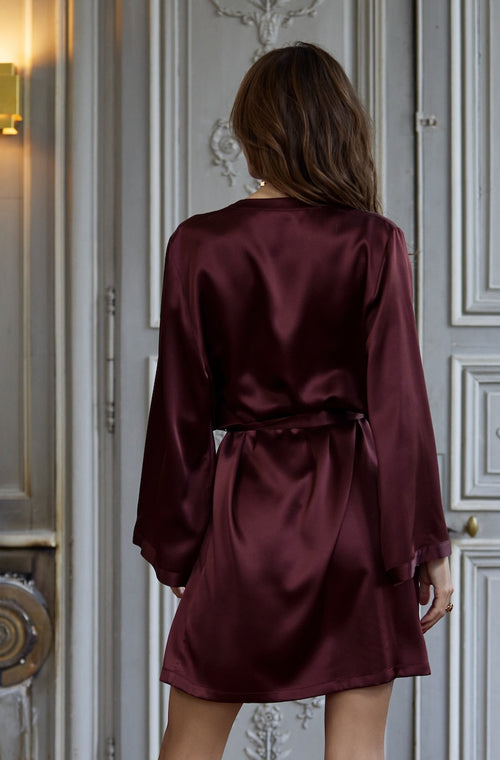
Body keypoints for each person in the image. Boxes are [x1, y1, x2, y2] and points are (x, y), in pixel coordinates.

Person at [133, 42, 453, 760]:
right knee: (358, 747)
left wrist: (178, 545)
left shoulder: (198, 244)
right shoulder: (374, 242)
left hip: (245, 516)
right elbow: (401, 409)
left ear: (253, 133)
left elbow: (180, 411)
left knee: (188, 745)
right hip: (354, 516)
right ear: (340, 129)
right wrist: (428, 546)